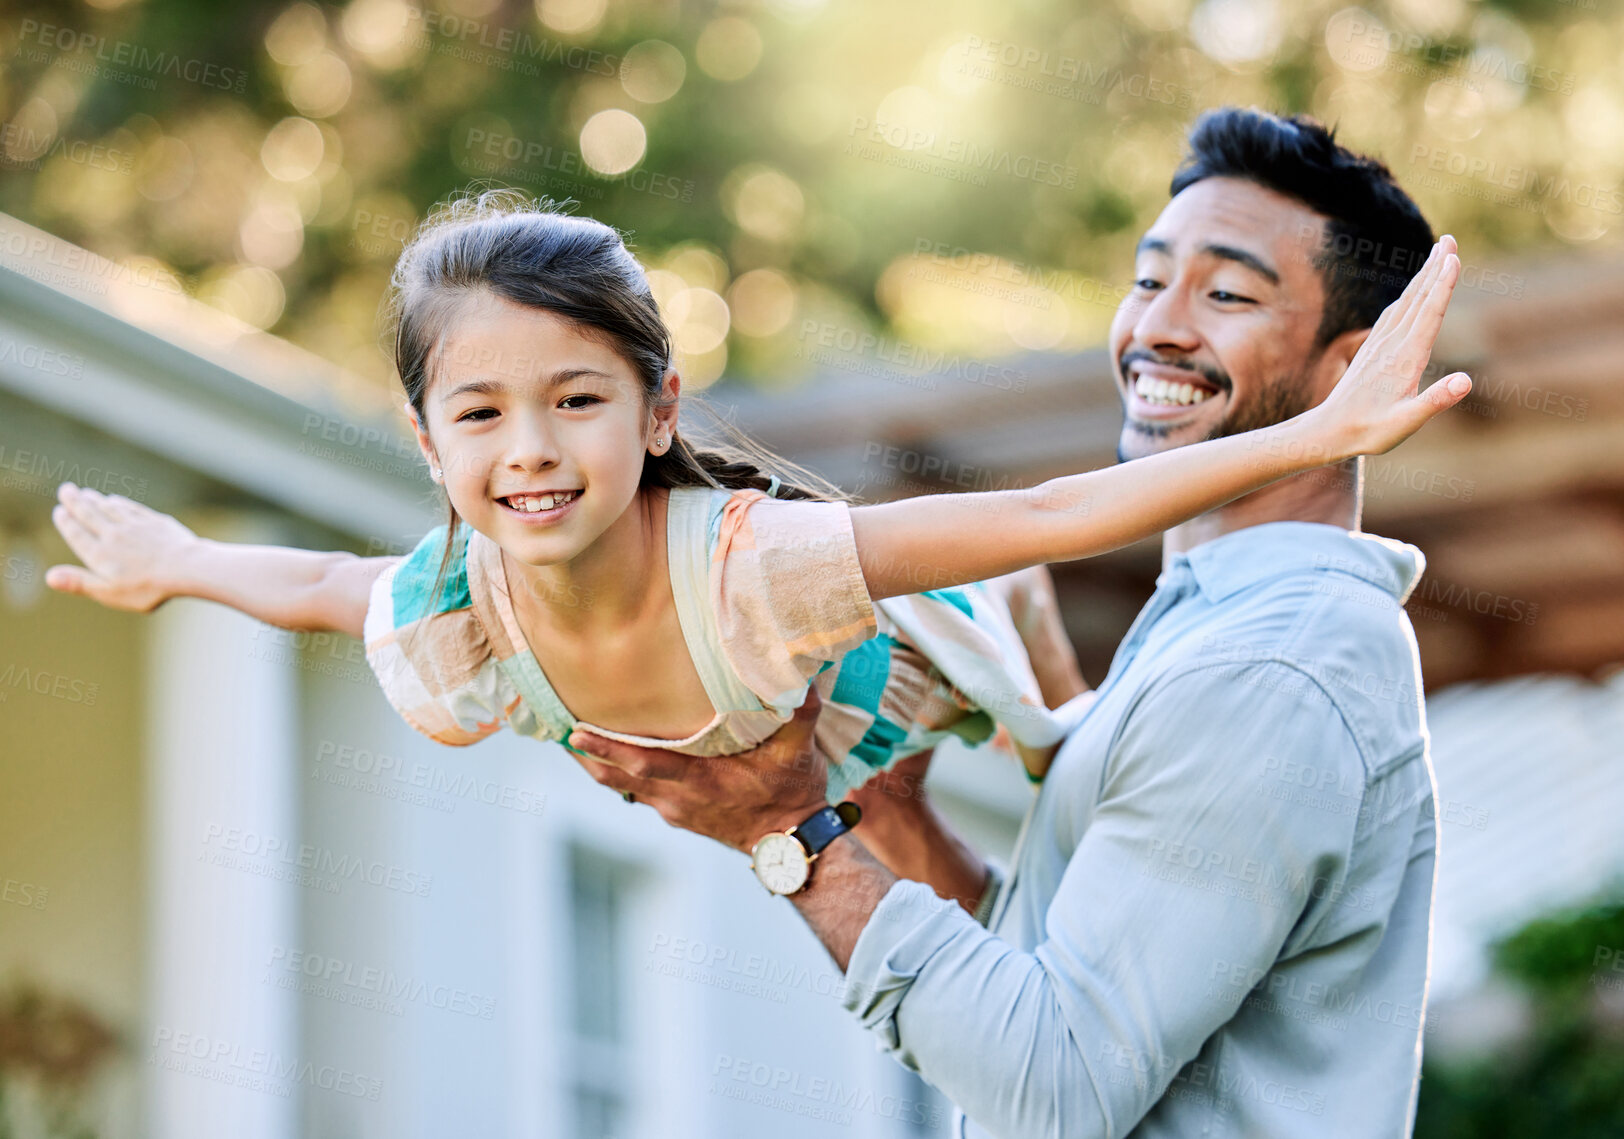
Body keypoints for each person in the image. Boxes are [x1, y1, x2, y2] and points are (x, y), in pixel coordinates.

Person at [48, 175, 1460, 889]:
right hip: (775, 761)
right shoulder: (456, 605)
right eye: (478, 415)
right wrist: (173, 564)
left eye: (575, 400)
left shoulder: (752, 563)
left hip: (890, 666)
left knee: (1047, 722)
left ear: (657, 411)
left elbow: (1036, 509)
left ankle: (1073, 731)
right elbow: (318, 577)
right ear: (427, 445)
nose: (530, 448)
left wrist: (1310, 436)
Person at [565, 107, 1455, 1137]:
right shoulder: (1213, 633)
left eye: (1225, 292)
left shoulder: (1270, 665)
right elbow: (1064, 994)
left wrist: (785, 827)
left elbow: (1058, 1087)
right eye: (1149, 276)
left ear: (1351, 374)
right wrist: (892, 818)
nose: (1157, 324)